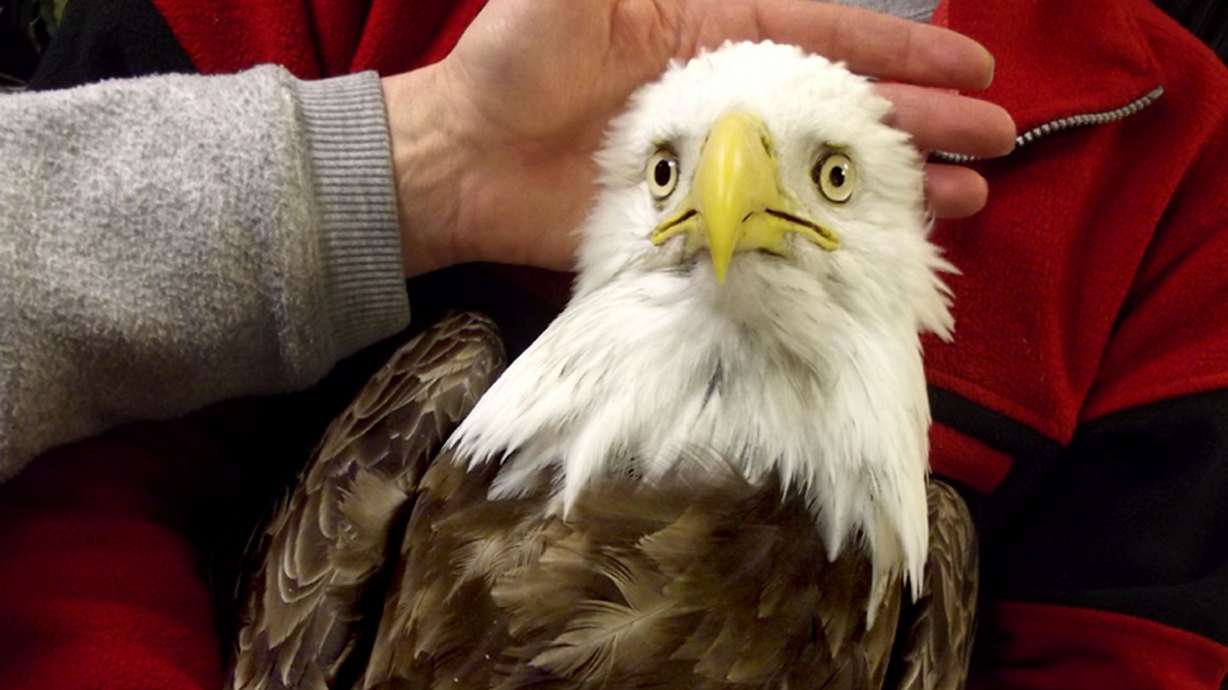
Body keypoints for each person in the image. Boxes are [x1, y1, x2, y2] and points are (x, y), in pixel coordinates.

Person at [0, 1, 1225, 689]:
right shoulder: (436, 428)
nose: (732, 192)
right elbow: (75, 476)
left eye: (834, 177)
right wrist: (414, 161)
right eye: (666, 171)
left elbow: (1133, 662)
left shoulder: (1177, 145)